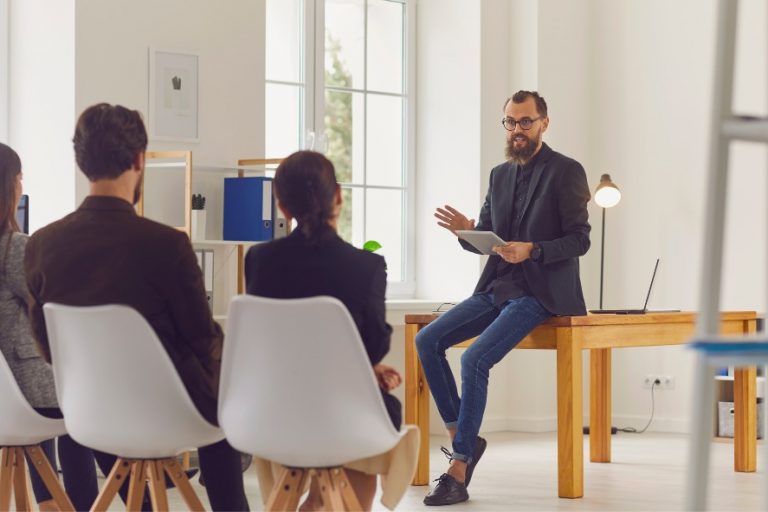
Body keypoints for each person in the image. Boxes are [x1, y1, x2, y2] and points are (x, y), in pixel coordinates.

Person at [24, 103, 249, 511]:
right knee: (225, 400)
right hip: (168, 413)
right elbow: (202, 340)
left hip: (90, 412)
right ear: (139, 160)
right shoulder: (167, 245)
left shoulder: (41, 244)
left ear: (81, 161)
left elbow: (48, 348)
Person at [416, 90, 591, 505]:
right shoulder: (499, 174)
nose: (517, 129)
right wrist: (467, 230)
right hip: (497, 286)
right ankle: (463, 436)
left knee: (474, 358)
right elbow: (489, 238)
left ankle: (458, 470)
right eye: (511, 122)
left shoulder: (567, 171)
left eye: (525, 121)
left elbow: (580, 240)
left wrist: (533, 249)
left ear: (544, 123)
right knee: (427, 339)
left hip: (541, 292)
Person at [244, 150, 403, 511]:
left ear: (282, 205)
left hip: (273, 412)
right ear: (338, 196)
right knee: (375, 411)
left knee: (343, 409)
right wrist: (366, 370)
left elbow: (268, 344)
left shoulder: (260, 260)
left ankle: (317, 499)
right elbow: (373, 346)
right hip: (341, 413)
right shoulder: (366, 266)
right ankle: (327, 503)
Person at [0, 142, 100, 511]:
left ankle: (51, 502)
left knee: (63, 396)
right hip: (25, 396)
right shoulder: (14, 248)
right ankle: (83, 504)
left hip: (10, 397)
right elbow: (58, 307)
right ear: (10, 186)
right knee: (83, 404)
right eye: (20, 179)